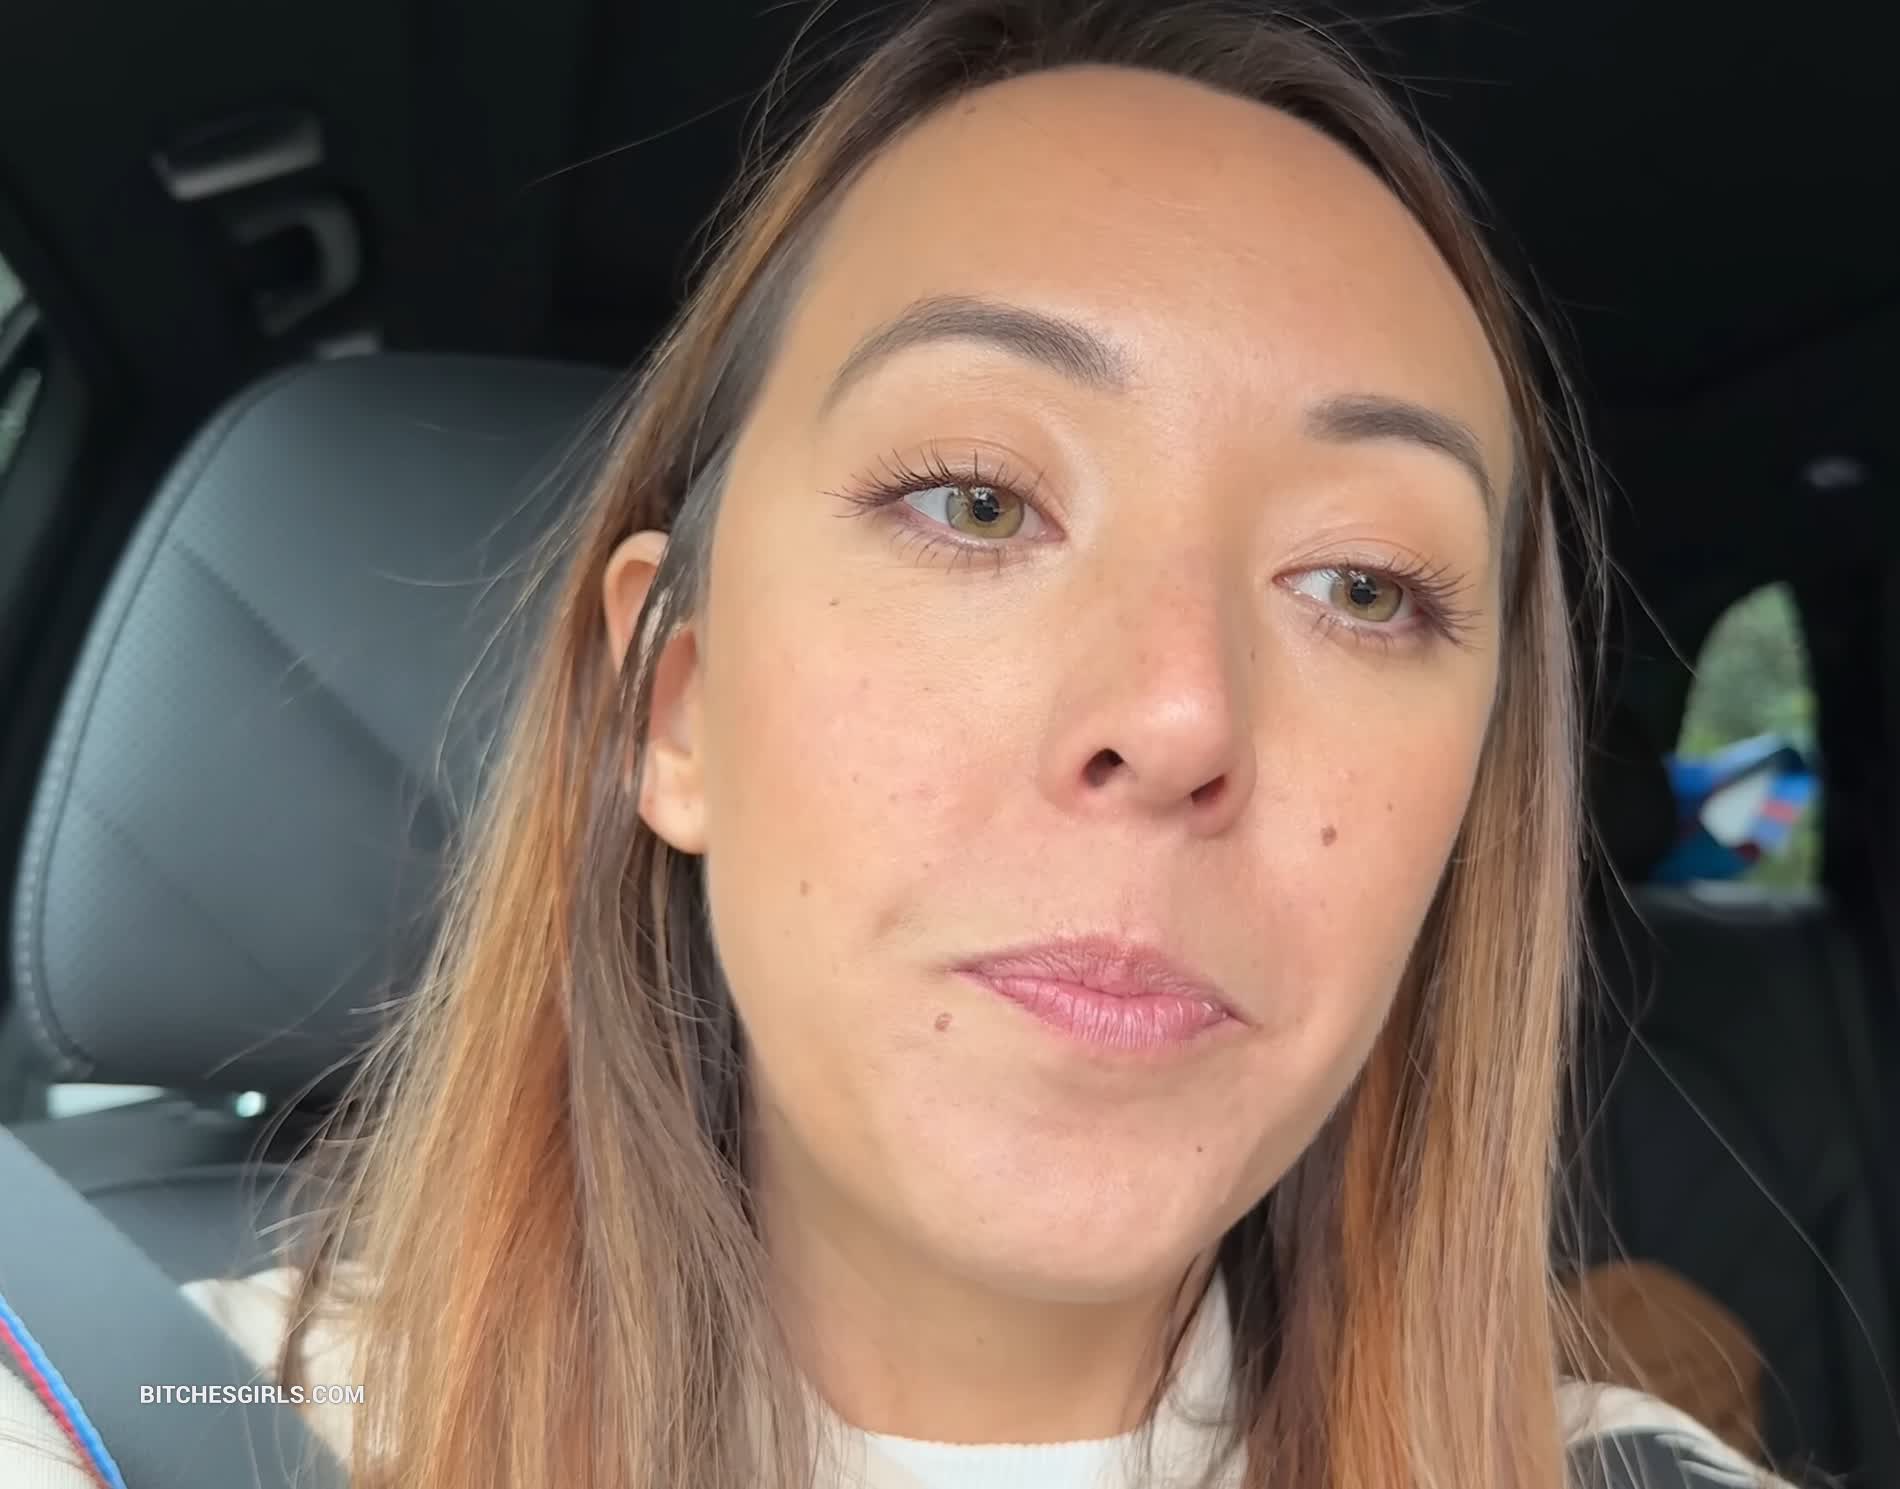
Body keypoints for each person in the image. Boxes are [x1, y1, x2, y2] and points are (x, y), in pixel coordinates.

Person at [0, 1, 1806, 1486]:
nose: (1180, 714)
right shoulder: (124, 1421)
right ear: (673, 708)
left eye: (1361, 584)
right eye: (975, 499)